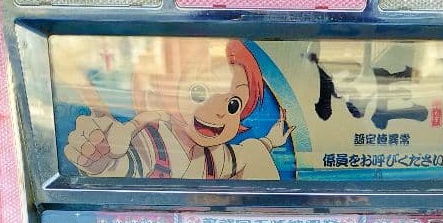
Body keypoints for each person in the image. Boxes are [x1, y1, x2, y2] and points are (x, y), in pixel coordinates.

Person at [63, 38, 292, 180]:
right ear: (158, 95)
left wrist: (268, 142)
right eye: (199, 93)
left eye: (234, 105)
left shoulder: (215, 155)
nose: (220, 112)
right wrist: (98, 159)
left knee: (254, 152)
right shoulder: (152, 143)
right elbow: (122, 167)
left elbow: (244, 154)